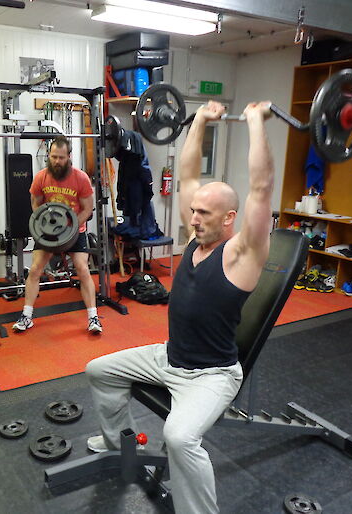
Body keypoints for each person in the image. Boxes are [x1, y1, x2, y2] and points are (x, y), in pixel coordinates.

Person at [85, 100, 274, 513]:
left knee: (180, 437)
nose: (193, 219)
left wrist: (257, 124)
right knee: (98, 371)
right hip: (168, 356)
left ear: (230, 219)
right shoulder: (195, 239)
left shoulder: (242, 254)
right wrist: (201, 121)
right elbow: (187, 173)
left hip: (211, 375)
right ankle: (121, 442)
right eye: (193, 211)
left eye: (204, 214)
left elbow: (261, 189)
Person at [13, 135, 102, 334]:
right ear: (49, 155)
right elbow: (35, 203)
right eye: (53, 157)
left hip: (75, 231)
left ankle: (93, 317)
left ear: (69, 156)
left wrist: (69, 230)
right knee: (35, 269)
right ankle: (27, 316)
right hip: (49, 233)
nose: (57, 161)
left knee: (82, 269)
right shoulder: (42, 176)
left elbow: (87, 209)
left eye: (61, 158)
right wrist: (43, 225)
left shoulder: (80, 178)